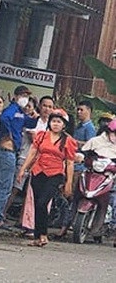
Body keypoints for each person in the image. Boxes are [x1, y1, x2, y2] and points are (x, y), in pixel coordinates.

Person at [16, 109, 76, 247]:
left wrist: (68, 182)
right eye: (53, 121)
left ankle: (43, 234)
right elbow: (33, 152)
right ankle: (38, 237)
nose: (55, 124)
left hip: (55, 174)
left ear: (64, 125)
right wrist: (23, 169)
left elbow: (70, 162)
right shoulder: (42, 136)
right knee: (37, 203)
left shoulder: (68, 141)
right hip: (38, 171)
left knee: (43, 202)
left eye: (58, 122)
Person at [0, 84, 38, 229]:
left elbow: (29, 123)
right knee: (5, 186)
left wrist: (35, 116)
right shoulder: (12, 110)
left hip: (7, 152)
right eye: (22, 96)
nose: (25, 99)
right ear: (15, 97)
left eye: (27, 96)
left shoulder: (20, 112)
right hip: (7, 151)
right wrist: (11, 136)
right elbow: (5, 119)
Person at [54, 99, 96, 238]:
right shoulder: (78, 126)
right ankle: (62, 222)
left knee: (71, 197)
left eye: (81, 110)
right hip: (69, 163)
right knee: (63, 195)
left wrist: (75, 143)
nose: (78, 112)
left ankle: (65, 227)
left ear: (89, 111)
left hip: (79, 167)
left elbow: (90, 146)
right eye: (77, 110)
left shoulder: (89, 128)